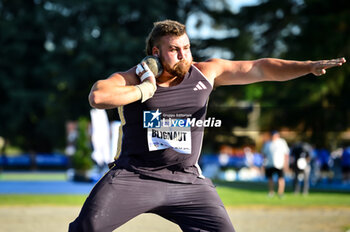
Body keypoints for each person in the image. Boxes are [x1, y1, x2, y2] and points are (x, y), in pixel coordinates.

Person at [69, 20, 346, 231]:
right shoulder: (132, 78)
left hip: (187, 180)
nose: (184, 55)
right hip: (135, 175)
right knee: (88, 227)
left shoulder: (206, 72)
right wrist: (144, 90)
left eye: (187, 48)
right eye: (174, 50)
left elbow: (261, 68)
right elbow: (99, 96)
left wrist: (307, 66)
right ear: (156, 53)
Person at [262, 131, 290, 198]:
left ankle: (280, 193)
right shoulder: (268, 143)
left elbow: (286, 154)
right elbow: (264, 154)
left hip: (280, 164)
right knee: (270, 179)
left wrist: (286, 164)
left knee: (281, 179)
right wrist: (264, 164)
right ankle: (271, 192)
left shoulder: (282, 142)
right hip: (270, 164)